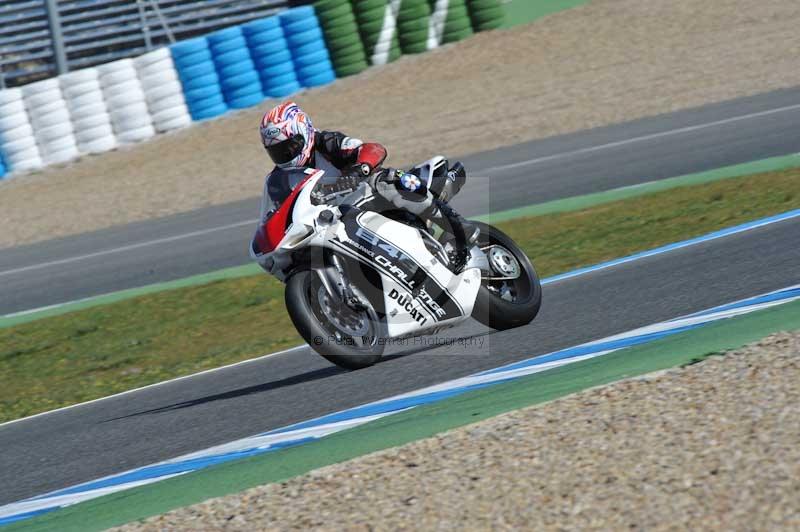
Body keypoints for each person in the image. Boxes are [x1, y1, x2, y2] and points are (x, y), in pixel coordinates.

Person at [256, 101, 475, 266]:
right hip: (330, 223)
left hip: (366, 199)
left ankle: (458, 227)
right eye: (277, 151)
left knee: (386, 179)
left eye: (291, 146)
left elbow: (373, 150)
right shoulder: (279, 181)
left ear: (305, 133)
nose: (286, 154)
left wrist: (358, 170)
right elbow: (277, 215)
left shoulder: (326, 143)